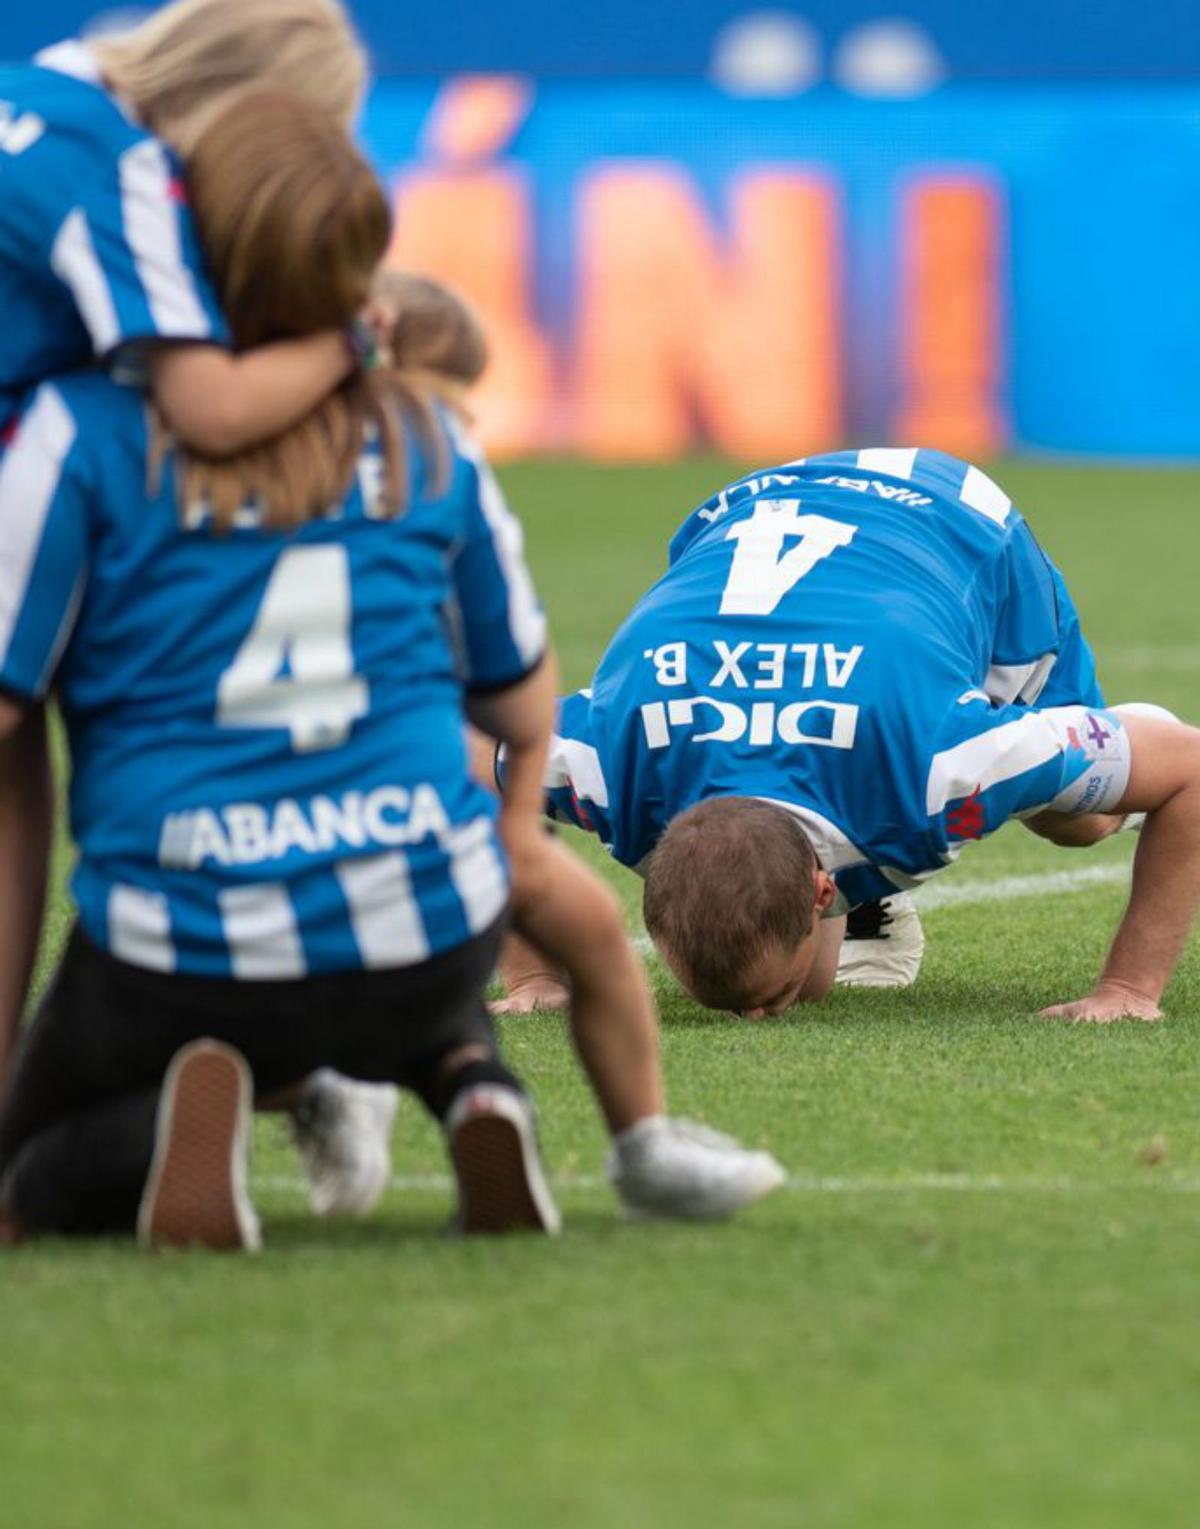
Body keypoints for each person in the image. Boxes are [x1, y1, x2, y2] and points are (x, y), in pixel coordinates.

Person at [0, 93, 784, 1250]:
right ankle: (474, 1076)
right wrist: (513, 822)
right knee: (418, 934)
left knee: (41, 1157)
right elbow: (521, 690)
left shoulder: (85, 431)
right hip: (423, 924)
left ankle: (172, 1121)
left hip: (186, 934)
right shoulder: (427, 438)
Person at [0, 0, 383, 1210]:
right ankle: (288, 1061)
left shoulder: (41, 79)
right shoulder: (122, 171)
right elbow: (210, 404)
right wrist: (353, 343)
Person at [490, 448, 1200, 1022]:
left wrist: (1128, 990)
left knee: (1079, 821)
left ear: (820, 890)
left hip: (955, 523)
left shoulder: (948, 766)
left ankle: (1126, 740)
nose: (755, 1021)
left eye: (772, 997)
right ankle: (876, 901)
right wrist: (531, 972)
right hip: (748, 503)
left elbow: (1192, 768)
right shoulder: (607, 767)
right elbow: (470, 761)